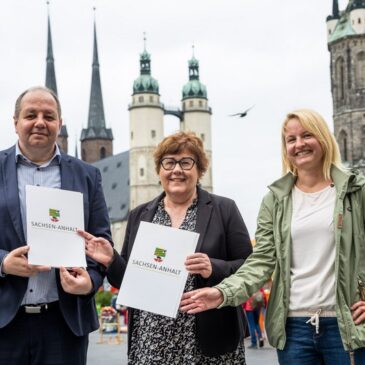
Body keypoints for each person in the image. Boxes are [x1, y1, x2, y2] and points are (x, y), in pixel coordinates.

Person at [181, 109, 365, 365]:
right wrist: (222, 293)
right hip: (294, 328)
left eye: (307, 135)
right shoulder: (275, 200)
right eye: (291, 139)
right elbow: (262, 261)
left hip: (345, 324)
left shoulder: (357, 190)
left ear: (323, 138)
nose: (299, 144)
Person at [80, 131, 253, 363]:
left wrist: (214, 267)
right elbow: (127, 281)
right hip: (151, 339)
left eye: (186, 162)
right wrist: (111, 259)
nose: (177, 170)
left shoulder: (224, 209)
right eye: (169, 162)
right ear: (159, 170)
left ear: (200, 170)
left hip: (210, 341)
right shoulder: (139, 215)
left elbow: (250, 268)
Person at [0, 86, 112, 365]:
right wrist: (2, 263)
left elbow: (100, 246)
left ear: (59, 124)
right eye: (31, 115)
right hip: (4, 323)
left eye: (49, 116)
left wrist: (90, 283)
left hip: (63, 326)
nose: (40, 122)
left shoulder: (88, 175)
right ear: (15, 122)